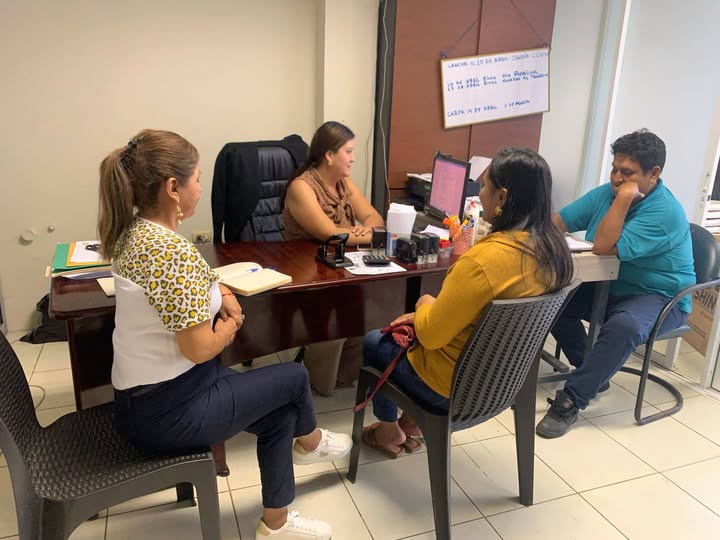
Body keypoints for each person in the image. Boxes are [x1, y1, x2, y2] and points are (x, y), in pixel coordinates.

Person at [97, 129, 351, 540]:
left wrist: (223, 291)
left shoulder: (137, 234)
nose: (201, 188)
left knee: (281, 414)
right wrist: (231, 325)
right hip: (169, 410)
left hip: (146, 400)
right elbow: (199, 348)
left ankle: (276, 522)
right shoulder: (170, 252)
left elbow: (191, 280)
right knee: (294, 377)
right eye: (197, 179)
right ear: (173, 188)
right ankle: (312, 441)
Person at [361, 147, 574, 456]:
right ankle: (413, 423)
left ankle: (387, 431)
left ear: (502, 197)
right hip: (503, 386)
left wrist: (423, 305)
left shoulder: (484, 260)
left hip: (454, 390)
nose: (479, 195)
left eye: (484, 186)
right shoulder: (556, 253)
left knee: (374, 341)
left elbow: (431, 336)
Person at [536, 129, 696, 439]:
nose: (617, 178)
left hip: (660, 296)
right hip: (610, 285)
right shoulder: (605, 193)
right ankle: (593, 373)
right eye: (614, 169)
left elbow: (604, 246)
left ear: (654, 174)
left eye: (627, 173)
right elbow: (559, 220)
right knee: (552, 300)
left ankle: (571, 401)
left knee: (624, 327)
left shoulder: (664, 211)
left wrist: (623, 199)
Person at [283, 121, 384, 395]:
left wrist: (362, 231)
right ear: (329, 154)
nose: (353, 158)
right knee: (335, 321)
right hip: (306, 272)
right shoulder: (301, 187)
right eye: (348, 151)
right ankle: (322, 382)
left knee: (370, 311)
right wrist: (366, 234)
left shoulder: (344, 183)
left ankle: (345, 376)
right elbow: (329, 234)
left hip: (342, 267)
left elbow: (375, 218)